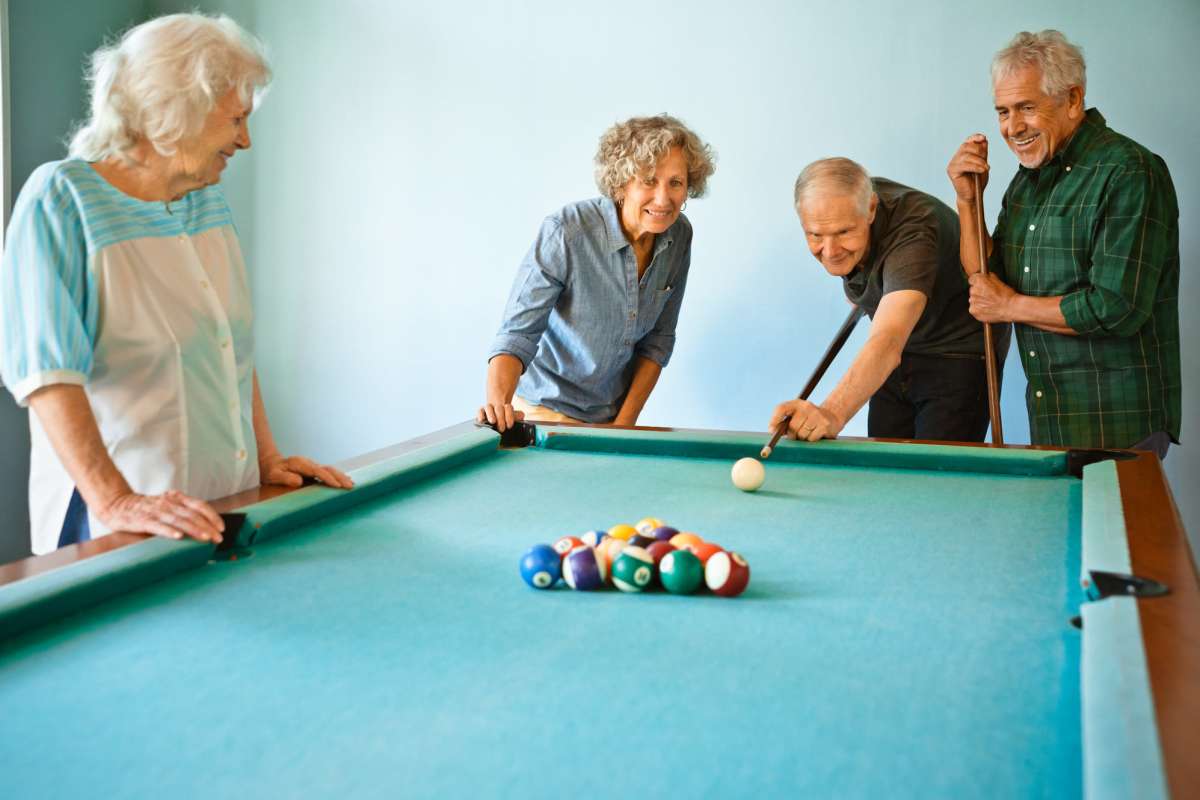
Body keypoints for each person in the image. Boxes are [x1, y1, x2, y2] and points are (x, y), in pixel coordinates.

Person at [0, 13, 352, 555]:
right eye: (236, 119)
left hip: (217, 509)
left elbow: (228, 346)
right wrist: (114, 499)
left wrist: (266, 459)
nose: (245, 140)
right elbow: (47, 377)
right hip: (119, 521)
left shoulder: (205, 199)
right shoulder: (61, 199)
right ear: (177, 108)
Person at [947, 30, 1180, 456]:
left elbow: (1117, 306)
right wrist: (968, 202)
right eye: (1002, 112)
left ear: (1073, 100)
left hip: (1118, 425)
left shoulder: (1129, 171)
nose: (1012, 127)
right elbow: (986, 278)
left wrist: (1010, 307)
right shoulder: (1028, 181)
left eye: (1027, 108)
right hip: (1054, 419)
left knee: (1115, 527)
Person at [478, 114, 715, 431]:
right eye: (648, 180)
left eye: (675, 182)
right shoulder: (566, 230)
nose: (663, 198)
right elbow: (518, 335)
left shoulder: (679, 235)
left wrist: (622, 426)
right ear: (621, 183)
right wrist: (498, 404)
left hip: (610, 420)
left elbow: (658, 342)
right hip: (542, 414)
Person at [769, 158, 1000, 443]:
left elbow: (889, 339)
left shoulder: (913, 232)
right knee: (886, 471)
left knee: (931, 480)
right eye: (815, 235)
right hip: (897, 356)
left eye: (843, 232)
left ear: (871, 209)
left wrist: (830, 413)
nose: (829, 251)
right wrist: (865, 289)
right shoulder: (846, 201)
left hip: (956, 352)